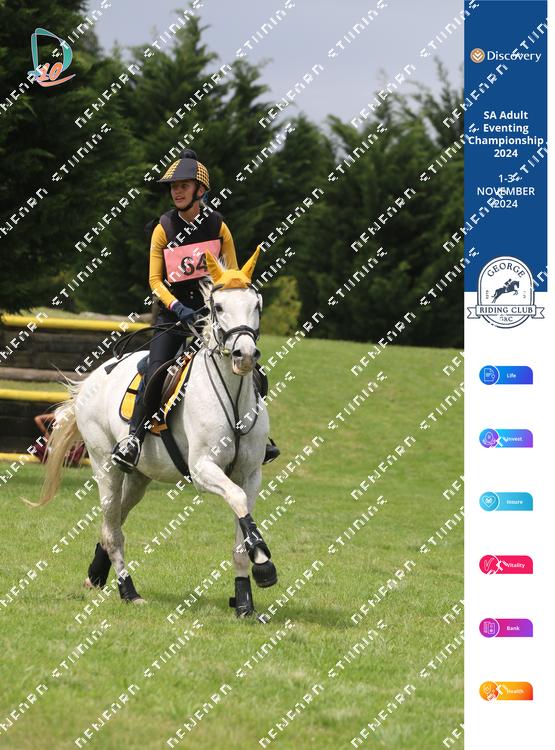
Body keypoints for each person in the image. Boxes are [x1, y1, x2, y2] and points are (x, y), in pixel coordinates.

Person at [111, 149, 280, 472]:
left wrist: (220, 310)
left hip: (212, 317)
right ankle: (134, 438)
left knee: (254, 371)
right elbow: (154, 281)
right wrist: (178, 307)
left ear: (200, 190)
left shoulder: (218, 227)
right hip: (173, 315)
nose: (176, 192)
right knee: (156, 370)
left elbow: (232, 277)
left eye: (183, 186)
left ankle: (260, 439)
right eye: (173, 187)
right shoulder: (163, 228)